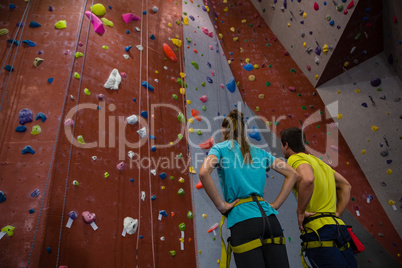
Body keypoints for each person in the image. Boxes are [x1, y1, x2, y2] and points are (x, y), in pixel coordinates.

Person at [199, 110, 298, 268]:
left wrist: (221, 206)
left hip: (243, 221)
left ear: (224, 132)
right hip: (270, 220)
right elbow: (292, 174)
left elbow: (204, 172)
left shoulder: (220, 149)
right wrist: (276, 205)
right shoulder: (259, 152)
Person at [280, 127, 357, 268]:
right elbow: (346, 186)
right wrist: (337, 213)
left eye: (282, 145)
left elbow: (308, 179)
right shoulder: (319, 162)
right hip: (338, 227)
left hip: (319, 230)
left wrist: (300, 211)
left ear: (286, 145)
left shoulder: (294, 159)